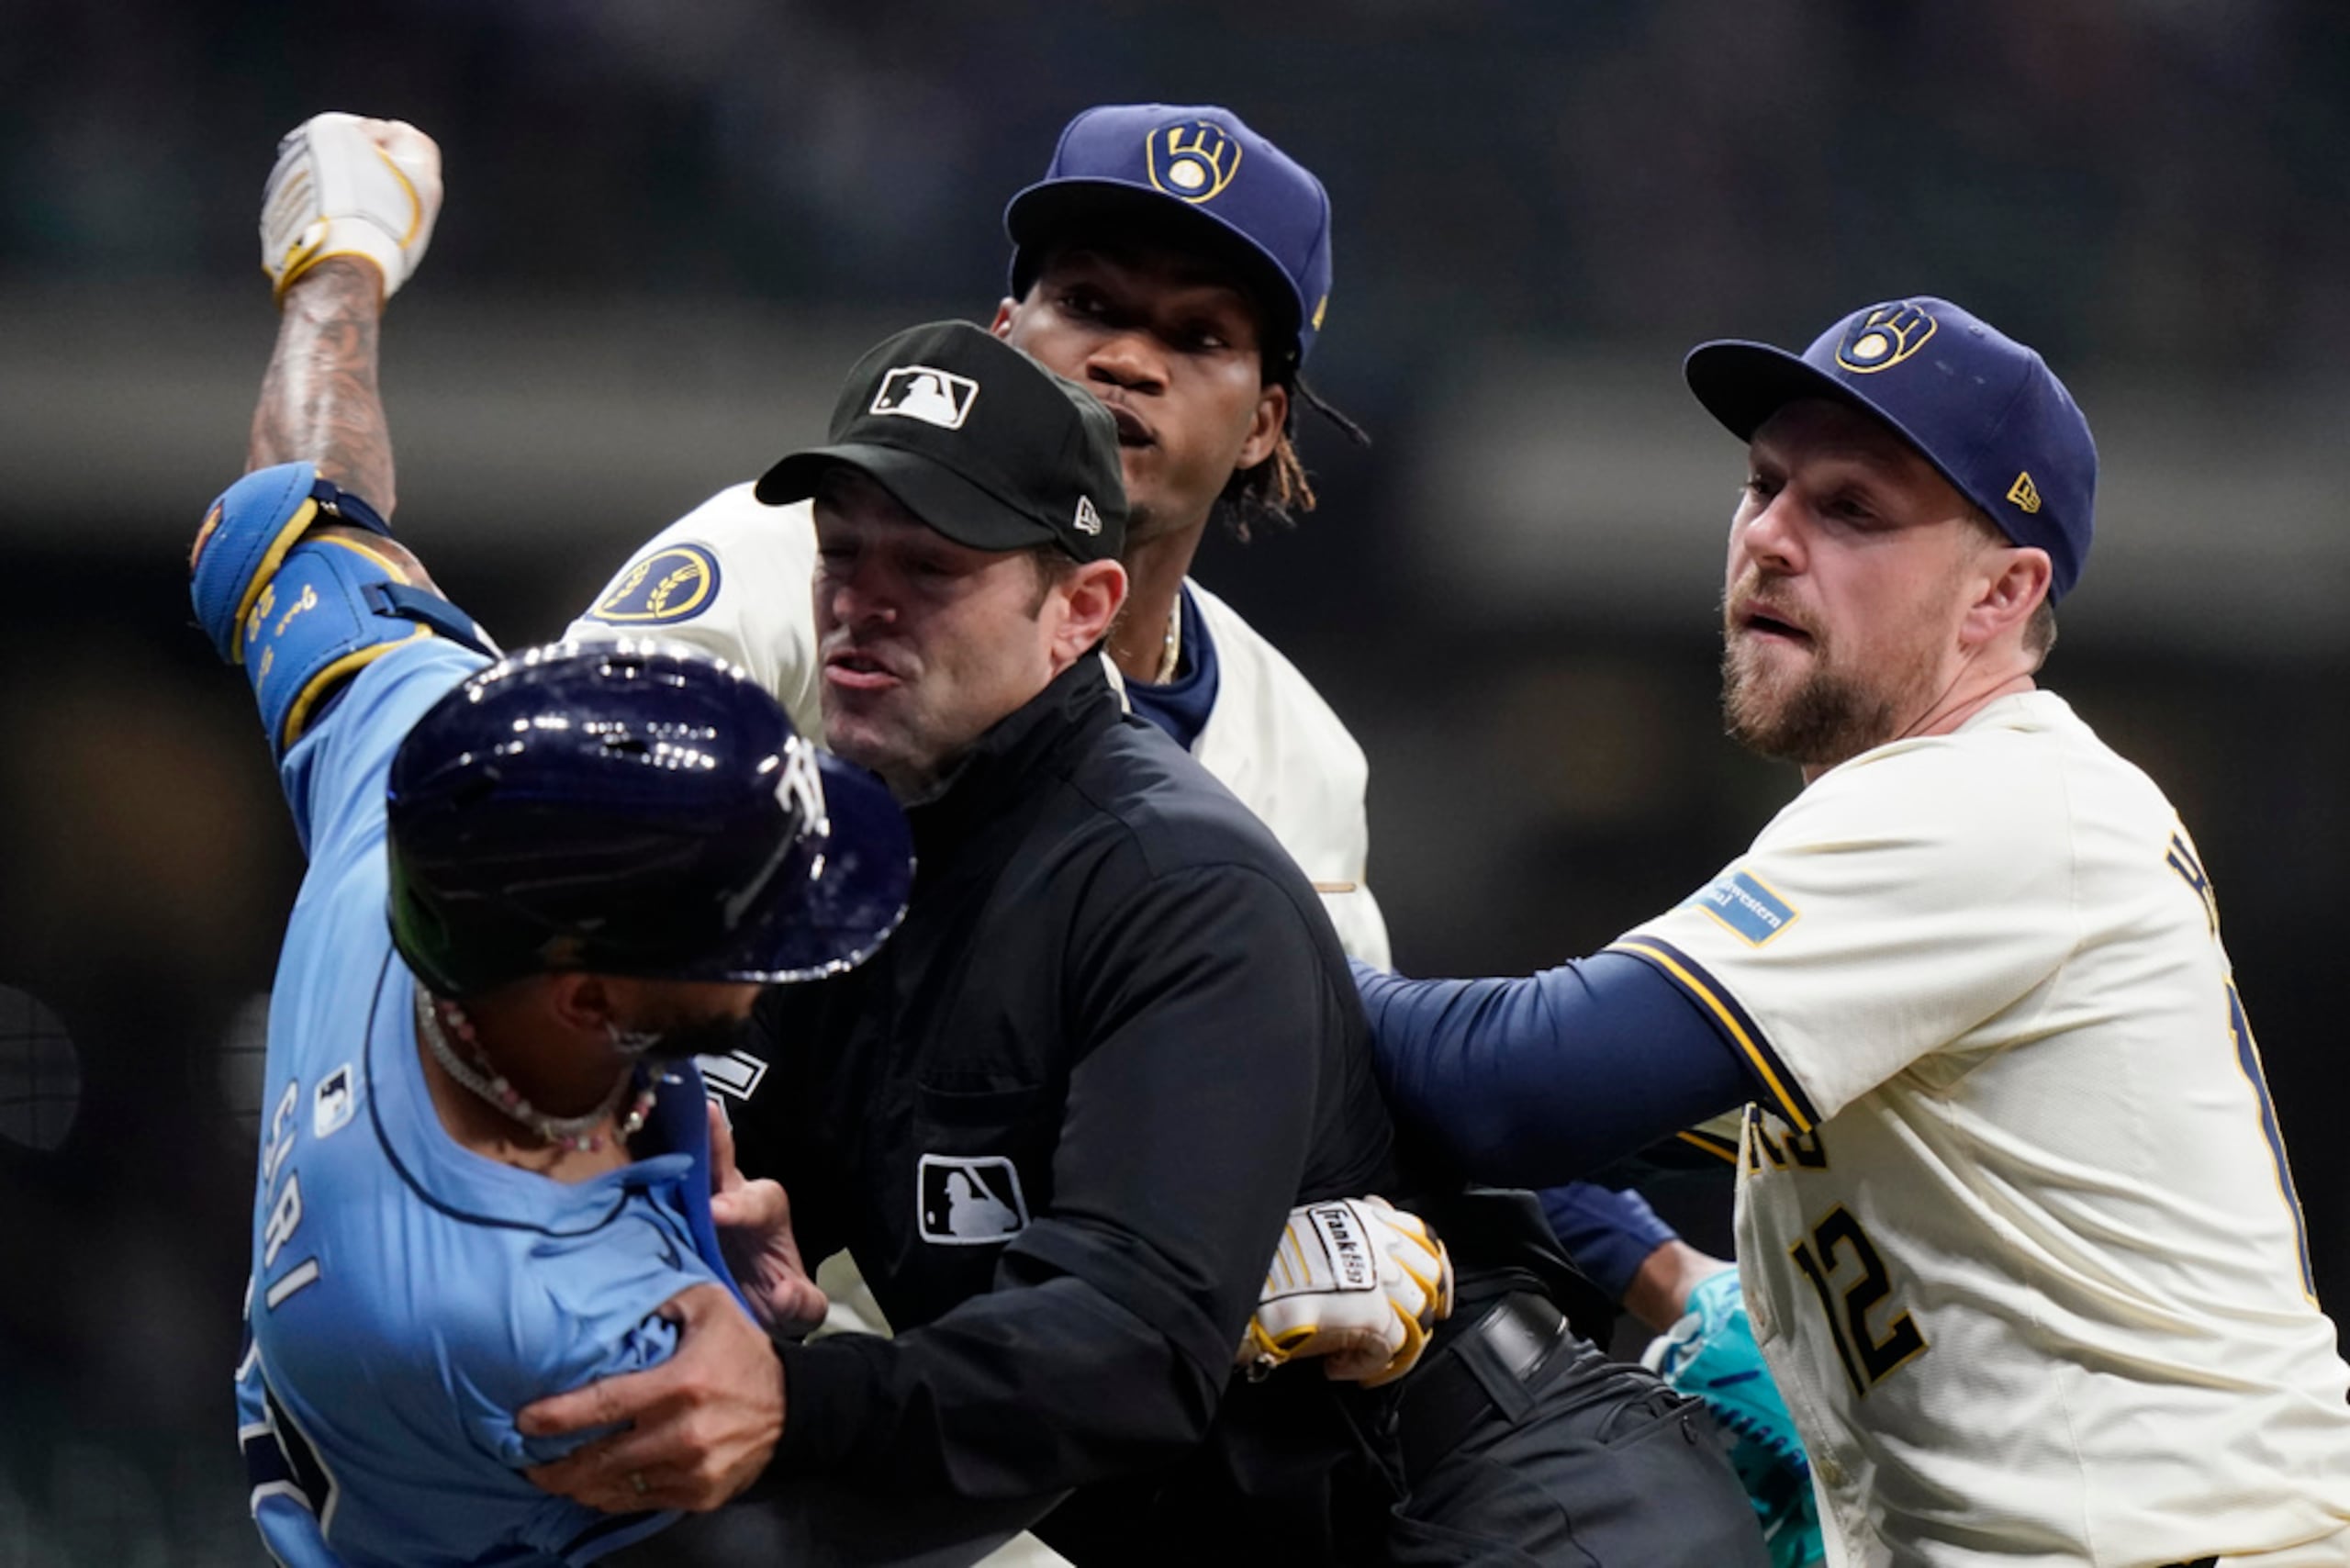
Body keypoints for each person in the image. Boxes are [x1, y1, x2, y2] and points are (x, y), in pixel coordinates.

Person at [245, 110, 1770, 1564]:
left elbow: (1337, 1099)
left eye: (1198, 335)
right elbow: (506, 836)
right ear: (1002, 331)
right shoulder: (785, 580)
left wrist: (1612, 1257)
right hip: (876, 1398)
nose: (1126, 358)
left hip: (1136, 1441)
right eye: (1088, 300)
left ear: (1266, 422)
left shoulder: (1283, 757)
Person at [1356, 295, 2350, 1565]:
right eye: (1764, 485)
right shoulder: (1946, 825)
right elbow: (1578, 1133)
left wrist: (1249, 944)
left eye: (1850, 511)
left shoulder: (1990, 801)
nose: (1771, 537)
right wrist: (1674, 1273)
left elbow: (1518, 1086)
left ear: (2001, 593)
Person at [194, 464, 981, 1564]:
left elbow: (269, 532)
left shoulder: (403, 756)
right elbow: (887, 1502)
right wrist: (772, 1337)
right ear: (591, 999)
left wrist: (337, 290)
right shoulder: (559, 1320)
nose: (784, 943)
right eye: (747, 930)